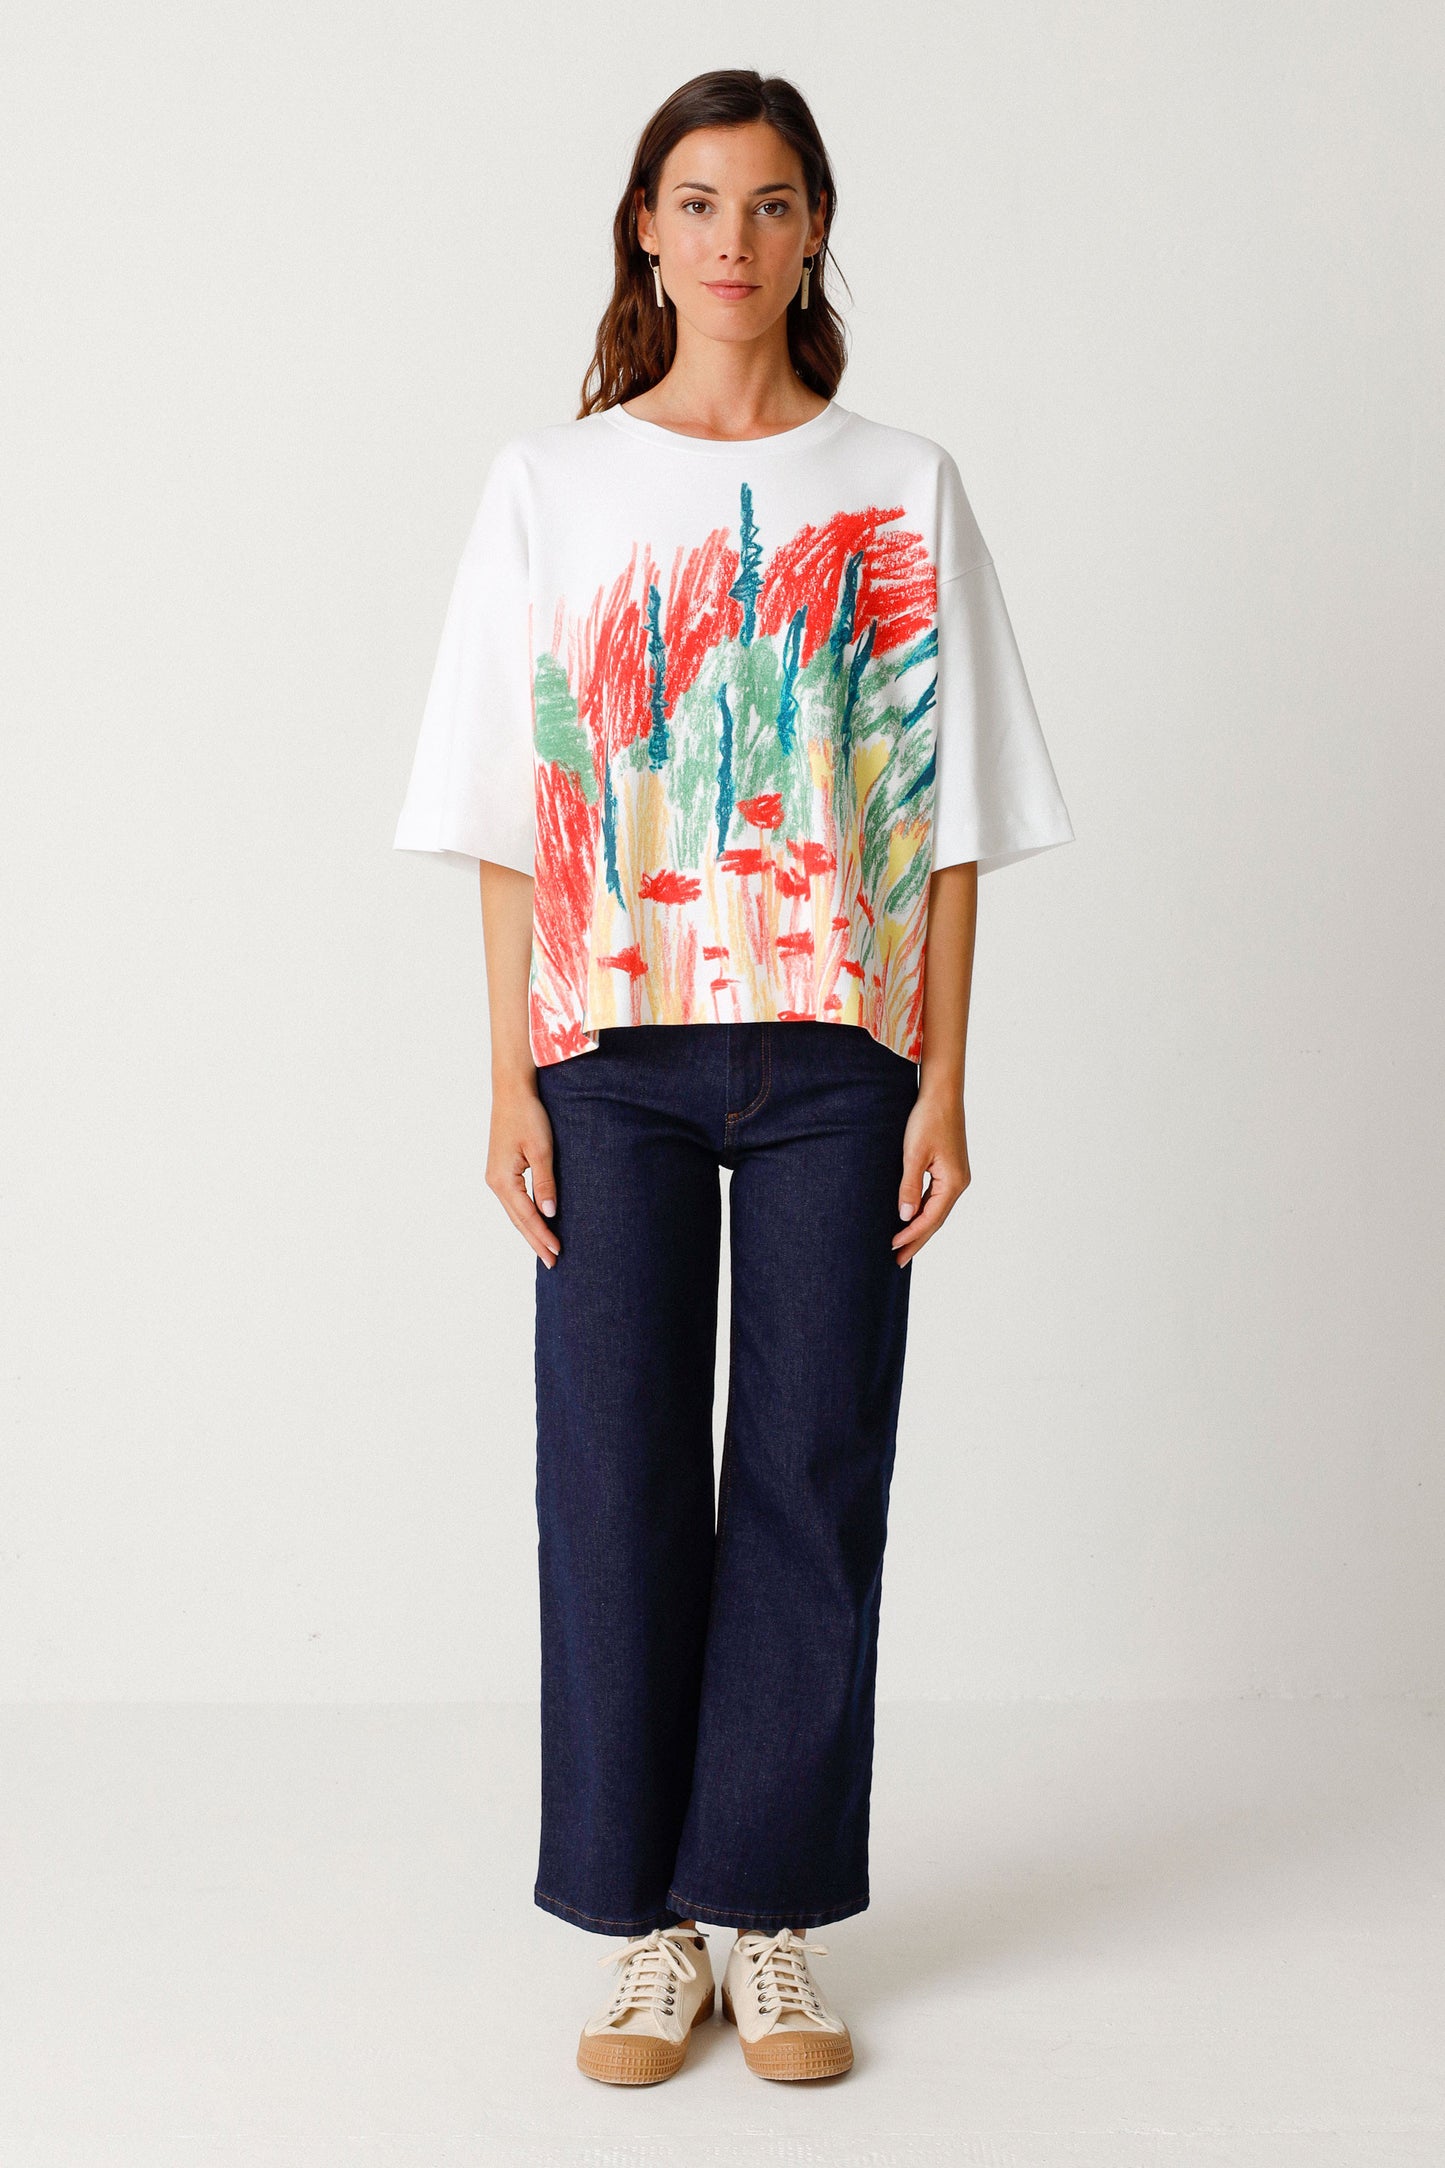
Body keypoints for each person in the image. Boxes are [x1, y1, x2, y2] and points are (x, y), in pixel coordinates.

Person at [395, 68, 1074, 2087]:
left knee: (809, 1466)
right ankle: (647, 1924)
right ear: (645, 227)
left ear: (813, 230)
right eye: (696, 202)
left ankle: (761, 1907)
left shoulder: (902, 483)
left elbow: (950, 824)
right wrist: (508, 1075)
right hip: (606, 1056)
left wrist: (943, 1076)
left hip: (837, 1058)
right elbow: (508, 805)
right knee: (609, 1475)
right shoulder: (554, 482)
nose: (731, 240)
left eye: (770, 203)